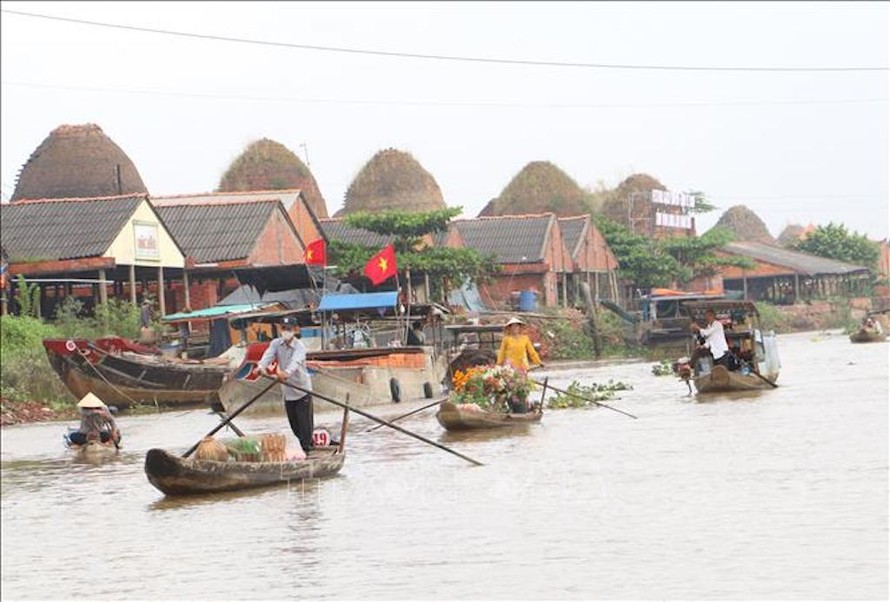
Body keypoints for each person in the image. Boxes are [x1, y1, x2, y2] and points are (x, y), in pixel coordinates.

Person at [255, 316, 314, 452]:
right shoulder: (276, 343)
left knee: (305, 427)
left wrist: (285, 373)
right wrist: (260, 367)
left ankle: (307, 449)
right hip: (288, 392)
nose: (286, 331)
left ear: (295, 330)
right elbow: (267, 356)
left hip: (302, 390)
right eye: (283, 329)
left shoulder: (300, 347)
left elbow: (294, 364)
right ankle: (305, 446)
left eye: (289, 329)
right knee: (295, 427)